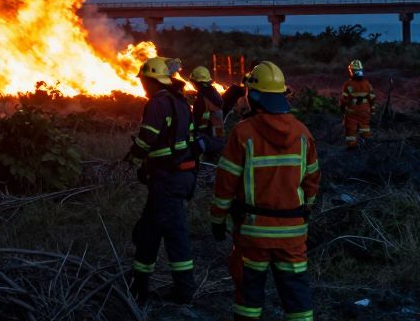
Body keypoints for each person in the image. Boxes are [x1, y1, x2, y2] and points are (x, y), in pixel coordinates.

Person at [210, 60, 320, 321]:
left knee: (249, 298)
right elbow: (313, 180)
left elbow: (225, 183)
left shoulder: (242, 133)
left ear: (253, 96)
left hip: (253, 233)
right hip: (293, 234)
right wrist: (307, 210)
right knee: (297, 299)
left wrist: (217, 219)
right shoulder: (303, 133)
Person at [126, 56, 197, 304]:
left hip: (168, 178)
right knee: (149, 229)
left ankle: (183, 291)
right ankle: (139, 284)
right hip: (179, 175)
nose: (143, 86)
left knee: (174, 234)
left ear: (153, 81)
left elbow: (148, 137)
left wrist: (134, 159)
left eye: (144, 81)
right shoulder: (180, 101)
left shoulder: (158, 103)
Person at [189, 66, 225, 157]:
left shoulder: (202, 98)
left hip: (208, 140)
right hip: (219, 137)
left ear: (196, 82)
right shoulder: (215, 93)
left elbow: (198, 121)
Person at [341, 59, 376, 149]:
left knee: (351, 129)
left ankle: (352, 146)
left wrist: (342, 108)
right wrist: (373, 110)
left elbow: (344, 99)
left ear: (352, 71)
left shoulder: (348, 84)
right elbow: (372, 98)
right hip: (365, 111)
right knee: (365, 127)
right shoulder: (367, 84)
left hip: (352, 111)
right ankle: (367, 143)